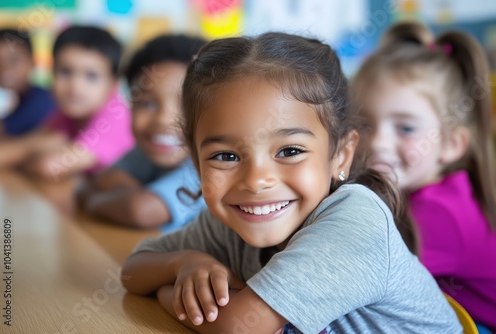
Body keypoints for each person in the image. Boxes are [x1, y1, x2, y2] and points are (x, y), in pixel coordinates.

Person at [121, 32, 461, 333]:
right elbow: (133, 272)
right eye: (225, 156)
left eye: (289, 150)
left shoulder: (354, 221)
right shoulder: (229, 222)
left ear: (341, 155)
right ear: (195, 162)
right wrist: (184, 264)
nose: (256, 181)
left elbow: (236, 328)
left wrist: (173, 292)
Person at [351, 22, 496, 332]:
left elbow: (353, 277)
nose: (377, 143)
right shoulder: (416, 188)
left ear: (451, 144)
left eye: (406, 128)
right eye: (365, 124)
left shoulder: (440, 214)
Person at [79, 35, 207, 231]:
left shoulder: (209, 166)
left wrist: (93, 201)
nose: (164, 119)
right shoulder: (147, 153)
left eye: (186, 105)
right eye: (147, 103)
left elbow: (140, 211)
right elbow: (103, 179)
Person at [25, 25, 134, 180]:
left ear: (113, 84)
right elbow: (38, 142)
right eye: (66, 72)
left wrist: (32, 150)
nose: (75, 87)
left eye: (91, 76)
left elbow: (49, 167)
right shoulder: (64, 114)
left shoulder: (116, 118)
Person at [0, 28, 55, 137]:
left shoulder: (43, 100)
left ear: (32, 62)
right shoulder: (18, 100)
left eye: (13, 60)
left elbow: (0, 131)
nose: (4, 69)